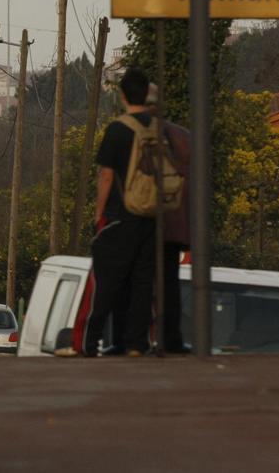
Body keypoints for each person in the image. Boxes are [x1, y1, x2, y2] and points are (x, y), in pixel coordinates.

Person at [67, 67, 159, 358]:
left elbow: (106, 176)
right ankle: (136, 343)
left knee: (105, 281)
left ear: (122, 96)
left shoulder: (118, 130)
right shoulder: (159, 129)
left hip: (120, 216)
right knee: (143, 282)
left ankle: (89, 342)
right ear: (147, 95)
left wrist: (99, 214)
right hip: (153, 216)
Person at [161, 108, 193, 355]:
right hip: (178, 224)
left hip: (146, 221)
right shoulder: (185, 137)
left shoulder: (138, 136)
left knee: (141, 282)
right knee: (170, 282)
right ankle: (172, 337)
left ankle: (137, 339)